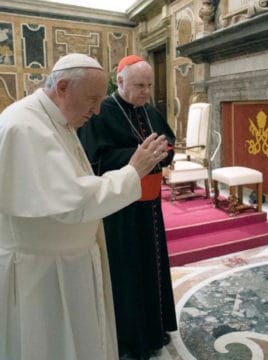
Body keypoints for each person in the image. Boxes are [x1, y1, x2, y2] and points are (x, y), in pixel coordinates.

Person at [0, 53, 169, 360]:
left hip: (65, 259)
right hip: (41, 271)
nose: (96, 110)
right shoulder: (25, 127)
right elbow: (72, 201)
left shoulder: (55, 120)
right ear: (62, 86)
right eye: (92, 99)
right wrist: (133, 170)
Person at [78, 55, 178, 359]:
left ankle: (155, 329)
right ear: (120, 82)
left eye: (148, 85)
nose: (146, 92)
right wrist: (138, 156)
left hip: (150, 208)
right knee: (128, 275)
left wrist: (163, 152)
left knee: (153, 269)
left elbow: (169, 142)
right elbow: (94, 160)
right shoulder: (101, 113)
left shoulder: (150, 111)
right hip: (121, 211)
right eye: (139, 85)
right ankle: (130, 343)